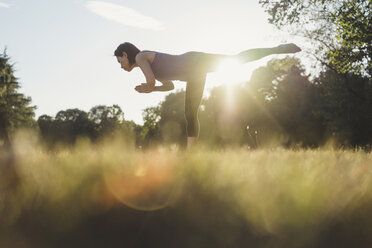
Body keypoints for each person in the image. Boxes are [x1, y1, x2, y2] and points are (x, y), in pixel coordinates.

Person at [114, 42, 301, 150]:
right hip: (195, 74)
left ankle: (277, 48)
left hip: (194, 61)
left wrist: (148, 88)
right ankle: (190, 156)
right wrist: (151, 89)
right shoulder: (144, 64)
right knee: (190, 114)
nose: (121, 65)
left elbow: (151, 81)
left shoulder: (140, 57)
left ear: (125, 54)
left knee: (236, 59)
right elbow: (168, 86)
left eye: (119, 60)